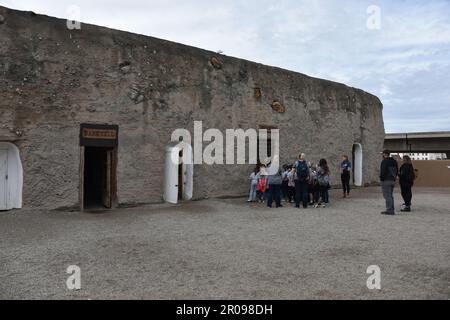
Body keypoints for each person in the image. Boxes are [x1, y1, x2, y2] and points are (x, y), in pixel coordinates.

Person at [380, 150, 399, 215]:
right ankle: (391, 209)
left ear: (384, 154)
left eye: (382, 154)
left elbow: (383, 171)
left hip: (386, 180)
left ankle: (390, 210)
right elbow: (397, 170)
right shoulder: (394, 161)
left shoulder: (384, 161)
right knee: (390, 195)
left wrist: (381, 179)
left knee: (387, 196)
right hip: (393, 180)